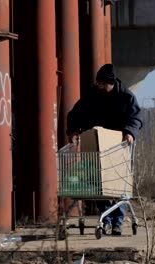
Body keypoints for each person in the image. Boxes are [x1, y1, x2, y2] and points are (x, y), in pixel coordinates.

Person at [66, 63, 142, 236]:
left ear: (111, 83)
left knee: (120, 184)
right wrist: (73, 130)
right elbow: (76, 113)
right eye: (98, 83)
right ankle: (106, 220)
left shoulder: (126, 96)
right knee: (99, 183)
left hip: (119, 145)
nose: (99, 86)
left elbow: (135, 117)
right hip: (98, 144)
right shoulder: (93, 95)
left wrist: (130, 133)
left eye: (102, 84)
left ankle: (118, 222)